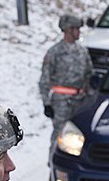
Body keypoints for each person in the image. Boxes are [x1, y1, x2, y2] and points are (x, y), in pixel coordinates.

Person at [39, 14, 94, 167]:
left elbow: (90, 75)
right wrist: (47, 103)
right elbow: (44, 80)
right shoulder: (54, 52)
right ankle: (53, 169)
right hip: (61, 102)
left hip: (80, 101)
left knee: (78, 137)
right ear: (67, 30)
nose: (79, 32)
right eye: (76, 29)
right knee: (59, 136)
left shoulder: (82, 51)